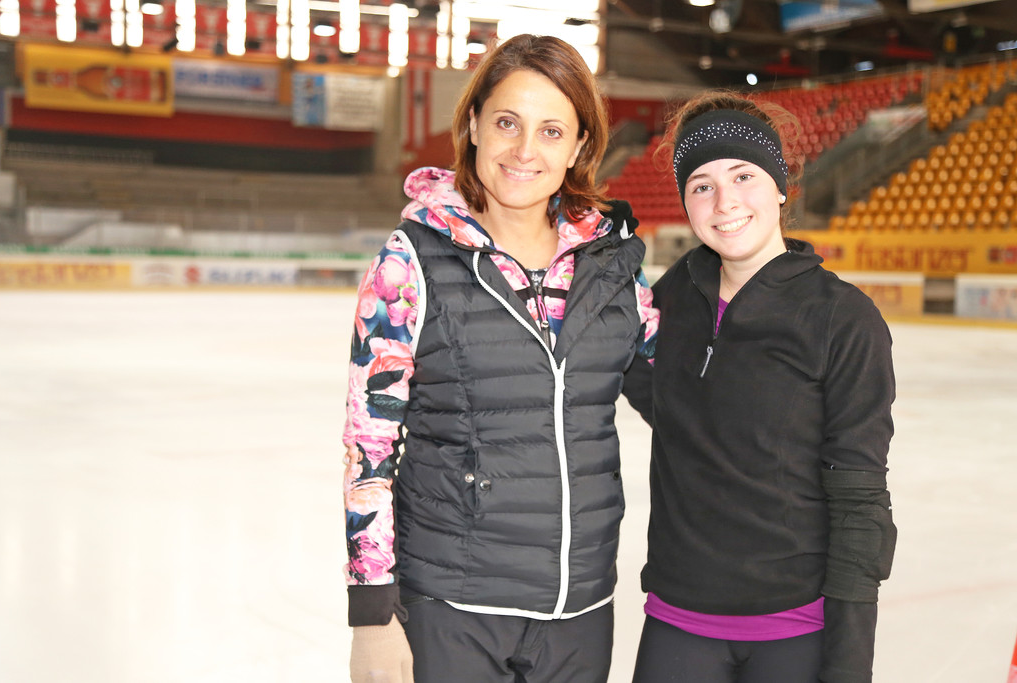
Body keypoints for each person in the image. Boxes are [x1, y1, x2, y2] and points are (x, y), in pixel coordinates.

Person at [342, 34, 658, 683]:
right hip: (452, 610)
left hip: (580, 611)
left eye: (551, 131)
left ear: (579, 147)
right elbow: (369, 446)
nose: (524, 150)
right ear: (474, 126)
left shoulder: (614, 267)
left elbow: (691, 397)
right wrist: (372, 614)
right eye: (508, 123)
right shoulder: (409, 262)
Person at [622, 91, 897, 683]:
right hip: (677, 619)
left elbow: (859, 498)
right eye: (702, 185)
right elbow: (664, 399)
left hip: (795, 629)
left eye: (743, 175)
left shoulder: (842, 317)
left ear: (780, 186)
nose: (724, 202)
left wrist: (848, 663)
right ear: (686, 203)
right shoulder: (672, 297)